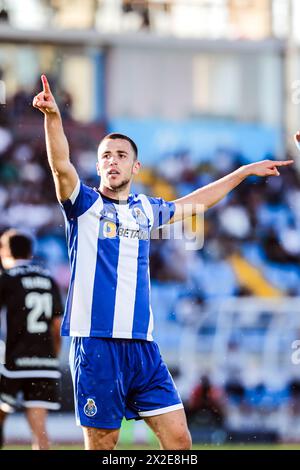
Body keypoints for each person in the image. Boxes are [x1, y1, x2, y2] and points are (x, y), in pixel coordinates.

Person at [32, 74, 293, 450]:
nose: (113, 161)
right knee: (104, 446)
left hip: (143, 345)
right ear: (99, 165)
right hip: (97, 343)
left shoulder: (145, 210)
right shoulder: (84, 206)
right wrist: (52, 119)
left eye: (121, 155)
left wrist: (243, 172)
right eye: (106, 155)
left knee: (180, 442)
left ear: (136, 167)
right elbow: (61, 166)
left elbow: (197, 203)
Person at [0, 229, 63, 450]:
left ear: (6, 251)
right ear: (30, 251)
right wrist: (53, 354)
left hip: (12, 363)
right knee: (40, 433)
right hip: (43, 363)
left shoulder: (6, 279)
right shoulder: (48, 279)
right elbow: (57, 325)